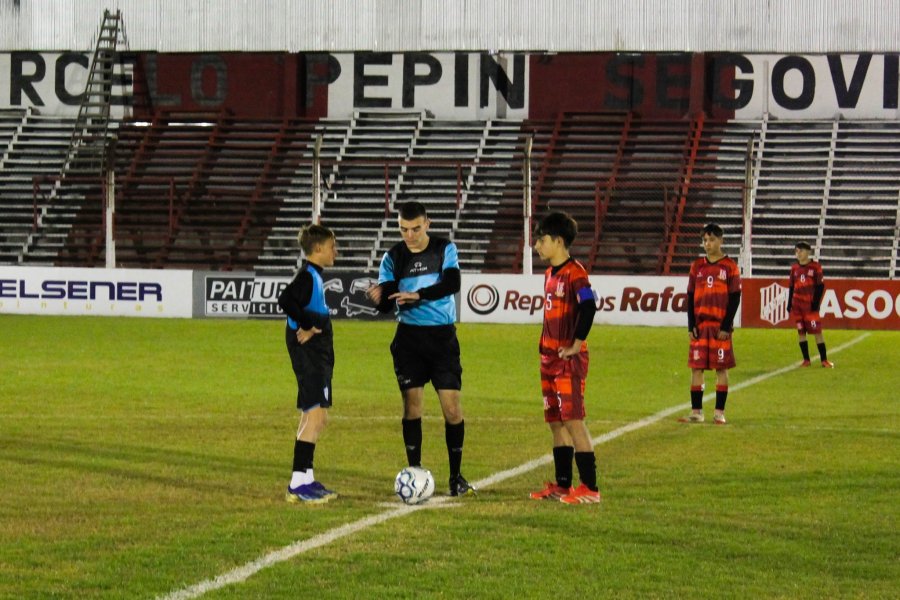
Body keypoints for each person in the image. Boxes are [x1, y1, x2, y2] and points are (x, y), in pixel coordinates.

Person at [367, 201, 475, 497]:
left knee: (452, 408)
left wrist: (419, 295)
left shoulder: (444, 248)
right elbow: (388, 301)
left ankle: (455, 477)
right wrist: (379, 299)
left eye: (415, 228)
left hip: (442, 339)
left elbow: (452, 283)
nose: (410, 235)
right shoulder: (392, 257)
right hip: (409, 340)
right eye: (403, 229)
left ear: (427, 224)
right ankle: (415, 472)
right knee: (412, 407)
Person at [528, 212, 601, 504]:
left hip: (567, 360)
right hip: (548, 357)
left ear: (558, 241)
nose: (537, 245)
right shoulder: (550, 274)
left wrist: (576, 345)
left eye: (541, 240)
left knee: (573, 421)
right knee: (556, 422)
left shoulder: (575, 273)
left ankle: (590, 488)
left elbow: (589, 306)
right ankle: (562, 485)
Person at [278, 224, 339, 504]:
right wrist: (306, 325)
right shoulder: (307, 277)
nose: (335, 252)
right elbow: (285, 299)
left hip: (317, 355)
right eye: (332, 247)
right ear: (318, 249)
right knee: (314, 417)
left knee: (315, 417)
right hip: (310, 356)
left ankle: (306, 479)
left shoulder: (313, 275)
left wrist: (311, 325)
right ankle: (297, 485)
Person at [679, 223, 742, 425]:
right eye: (705, 240)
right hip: (700, 326)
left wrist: (726, 326)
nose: (708, 244)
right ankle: (696, 412)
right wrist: (691, 325)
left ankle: (719, 413)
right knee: (696, 368)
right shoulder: (697, 266)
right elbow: (690, 295)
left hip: (719, 327)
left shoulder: (730, 266)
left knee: (721, 369)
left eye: (712, 240)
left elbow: (735, 297)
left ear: (721, 240)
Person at [788, 242, 834, 368]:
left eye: (801, 251)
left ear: (808, 252)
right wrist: (789, 303)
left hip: (809, 307)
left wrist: (815, 303)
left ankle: (824, 360)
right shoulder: (794, 268)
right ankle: (806, 360)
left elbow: (820, 286)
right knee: (801, 333)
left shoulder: (815, 267)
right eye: (796, 251)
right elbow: (791, 286)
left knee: (817, 332)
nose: (798, 254)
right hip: (797, 306)